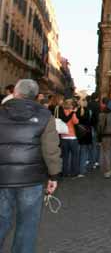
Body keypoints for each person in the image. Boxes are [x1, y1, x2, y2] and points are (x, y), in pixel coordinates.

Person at [0, 80, 61, 253]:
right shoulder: (45, 116)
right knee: (27, 225)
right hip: (31, 179)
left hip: (2, 178)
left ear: (15, 92)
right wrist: (54, 175)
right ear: (36, 96)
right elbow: (51, 149)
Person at [59, 99, 80, 178]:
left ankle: (65, 172)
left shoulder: (61, 112)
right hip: (72, 136)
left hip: (63, 136)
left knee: (65, 156)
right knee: (74, 155)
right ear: (71, 105)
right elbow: (76, 122)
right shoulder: (72, 112)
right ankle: (74, 172)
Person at [76, 98, 93, 176]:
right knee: (84, 152)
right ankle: (82, 170)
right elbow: (91, 122)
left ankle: (77, 168)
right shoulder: (89, 111)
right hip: (86, 133)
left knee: (78, 152)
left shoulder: (76, 111)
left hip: (78, 133)